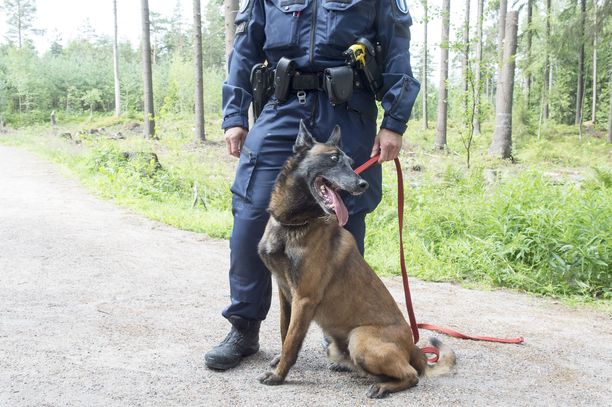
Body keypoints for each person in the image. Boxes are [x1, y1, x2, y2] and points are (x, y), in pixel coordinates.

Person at [205, 0, 420, 370]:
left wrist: (394, 121)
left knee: (344, 218)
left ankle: (337, 331)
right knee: (254, 210)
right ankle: (244, 326)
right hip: (283, 107)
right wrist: (235, 115)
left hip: (349, 110)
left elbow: (397, 50)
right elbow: (244, 47)